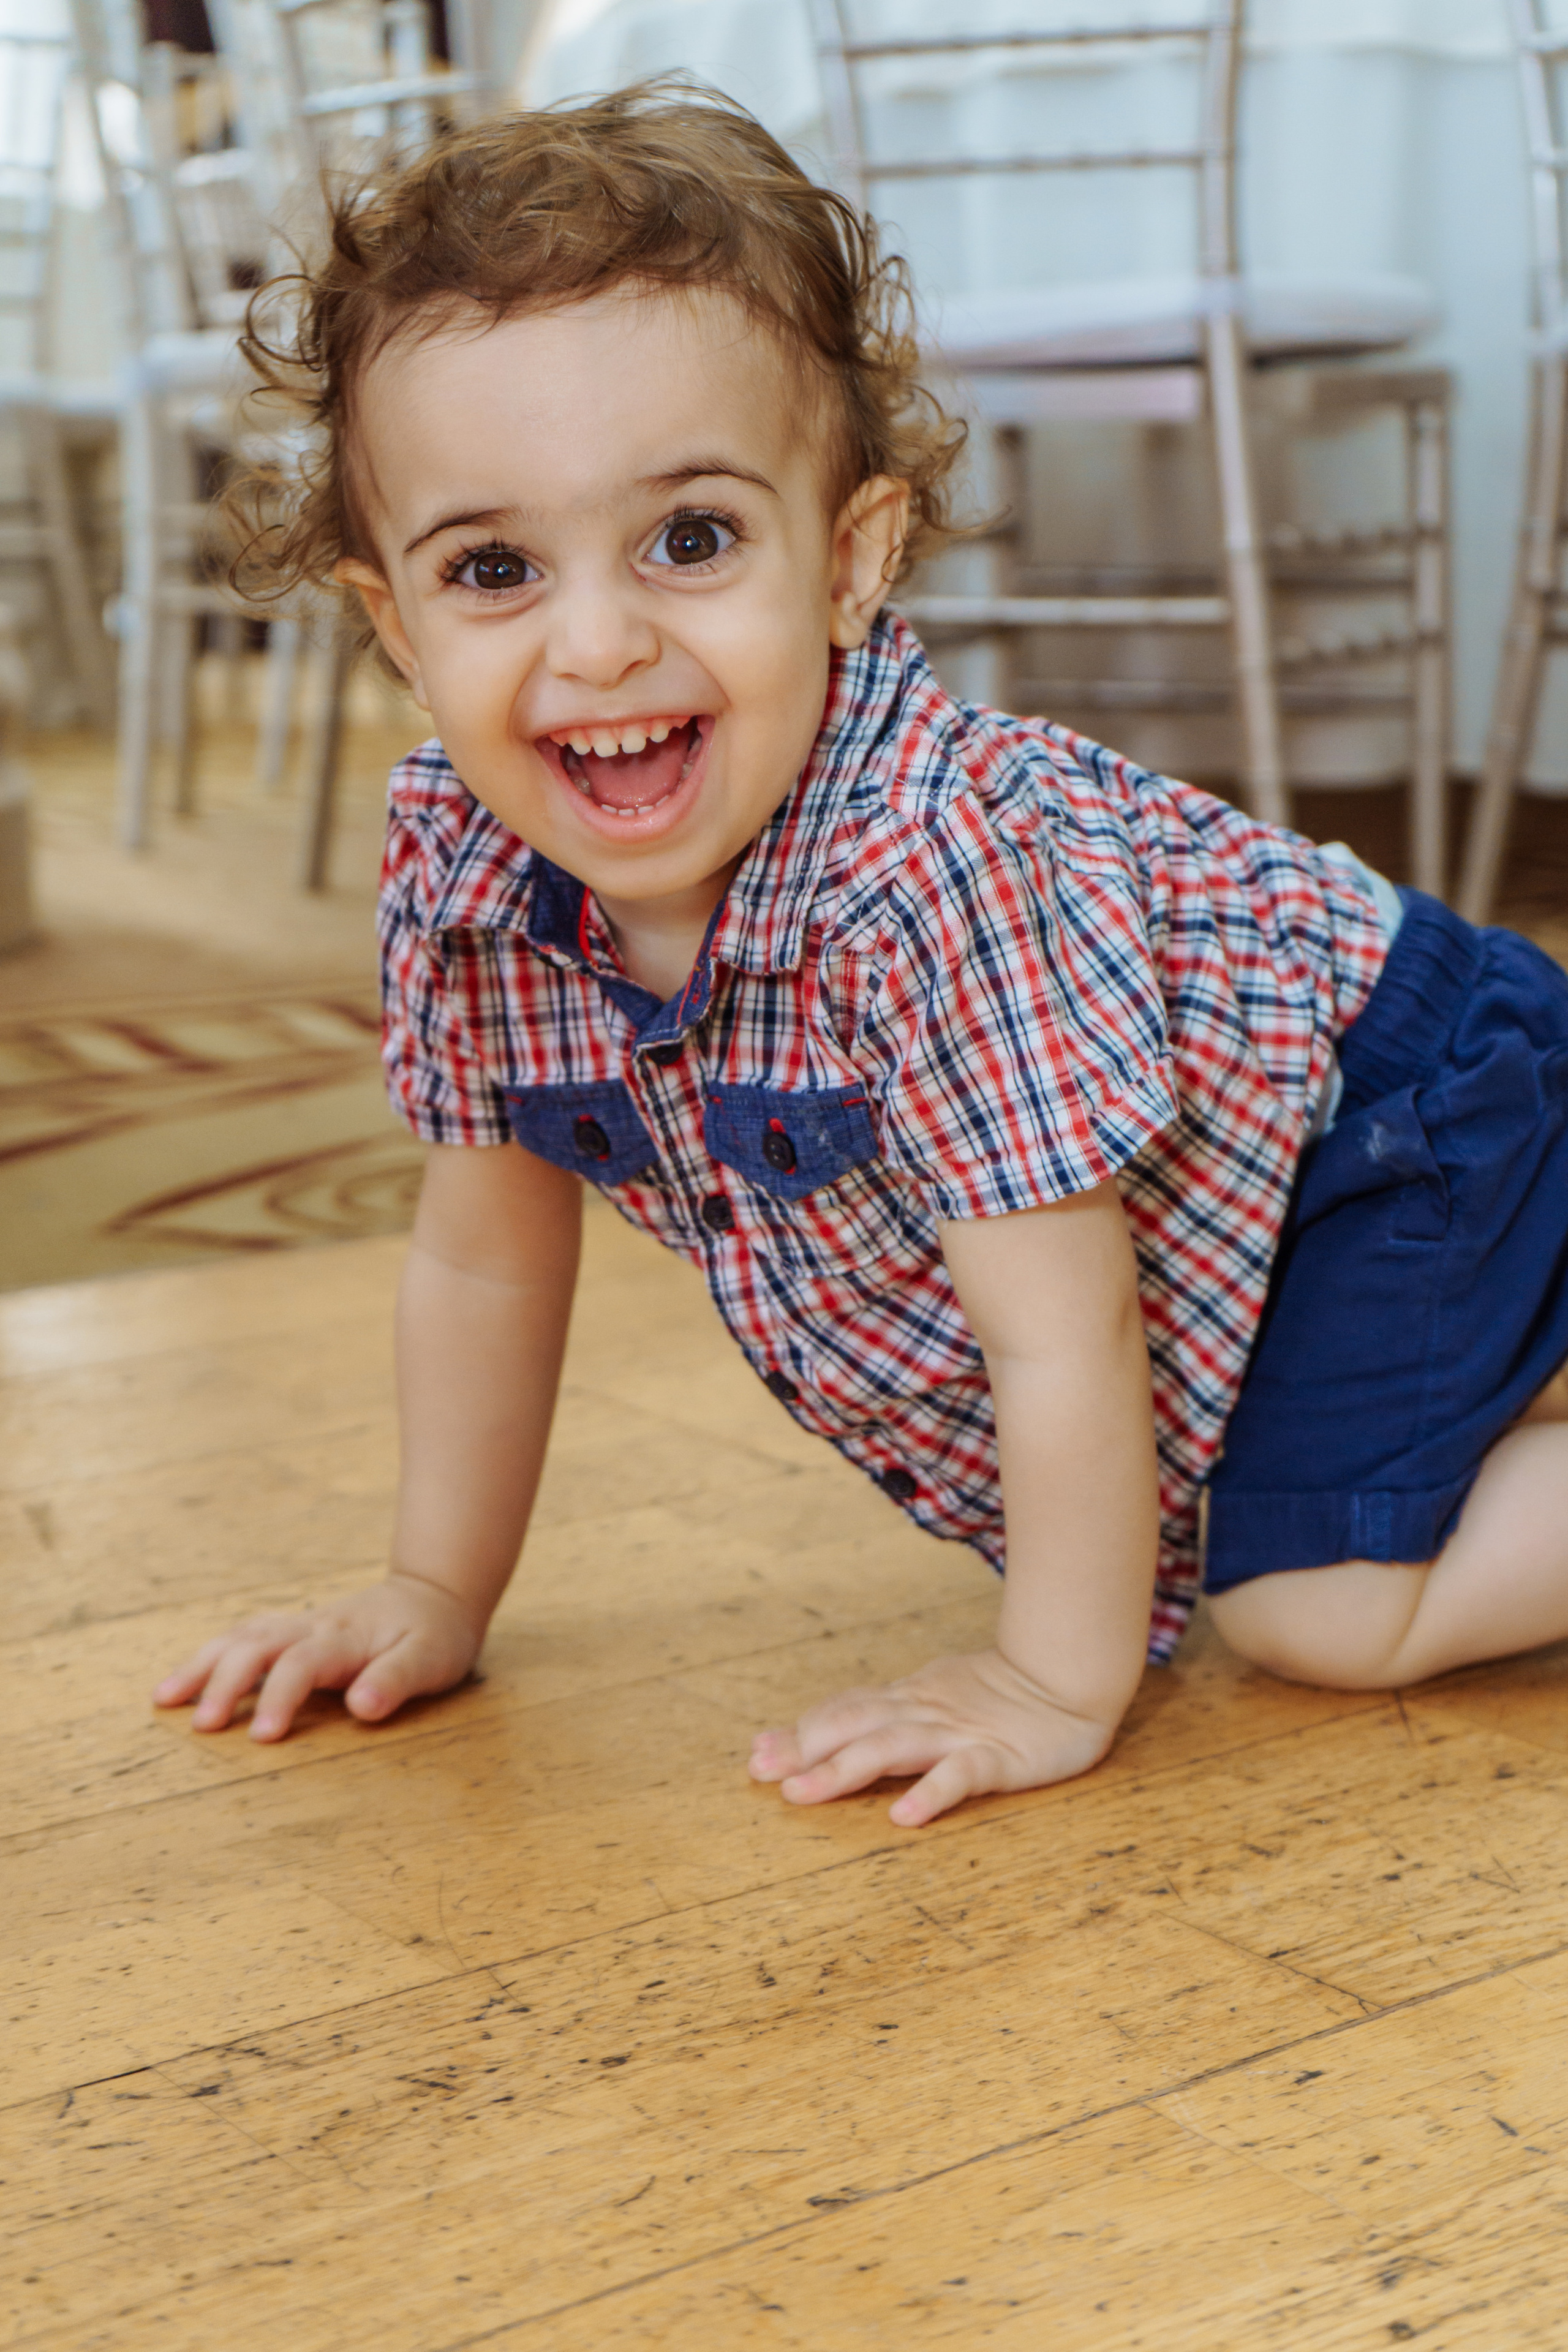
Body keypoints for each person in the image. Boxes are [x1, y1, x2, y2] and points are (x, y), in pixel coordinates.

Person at [155, 84, 1568, 1828]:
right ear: (394, 622)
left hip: (1400, 1108)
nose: (598, 644)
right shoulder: (455, 866)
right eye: (496, 566)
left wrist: (1055, 1677)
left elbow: (1064, 1327)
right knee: (1309, 1499)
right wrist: (433, 1591)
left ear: (849, 559)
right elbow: (482, 1266)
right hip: (1267, 1212)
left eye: (691, 539)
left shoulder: (928, 869)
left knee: (1315, 1605)